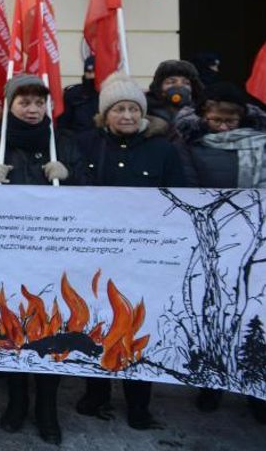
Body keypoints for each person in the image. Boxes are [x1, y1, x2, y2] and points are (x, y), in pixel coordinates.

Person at [0, 73, 82, 445]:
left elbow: (94, 199)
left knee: (51, 328)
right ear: (10, 104)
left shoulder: (61, 141)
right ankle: (16, 400)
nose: (33, 110)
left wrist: (71, 177)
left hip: (53, 252)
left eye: (39, 103)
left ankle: (47, 406)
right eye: (25, 102)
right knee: (14, 325)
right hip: (7, 253)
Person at [75, 72, 187, 431]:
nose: (126, 116)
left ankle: (139, 404)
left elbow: (180, 198)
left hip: (144, 256)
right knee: (98, 323)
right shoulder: (86, 144)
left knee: (138, 325)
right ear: (104, 114)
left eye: (132, 109)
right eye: (118, 109)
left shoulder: (163, 149)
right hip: (96, 253)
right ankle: (97, 395)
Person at [175, 81, 266, 422]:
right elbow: (188, 188)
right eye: (217, 121)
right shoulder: (191, 145)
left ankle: (256, 387)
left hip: (259, 240)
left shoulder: (262, 143)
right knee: (214, 307)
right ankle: (212, 381)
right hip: (214, 238)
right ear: (203, 118)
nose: (225, 127)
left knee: (256, 313)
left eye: (231, 121)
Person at [145, 59, 205, 132]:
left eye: (186, 83)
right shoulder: (145, 112)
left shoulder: (201, 113)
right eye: (171, 82)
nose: (179, 86)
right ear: (159, 87)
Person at [58, 55, 99, 133]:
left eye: (96, 72)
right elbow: (63, 126)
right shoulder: (72, 94)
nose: (92, 75)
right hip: (78, 142)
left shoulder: (108, 95)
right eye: (89, 72)